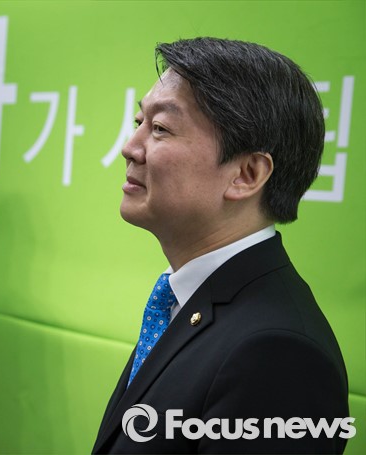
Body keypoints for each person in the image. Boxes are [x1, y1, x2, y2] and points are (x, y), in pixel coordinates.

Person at [92, 38, 350, 453]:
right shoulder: (187, 300)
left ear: (247, 175)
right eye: (140, 121)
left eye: (160, 129)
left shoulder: (278, 354)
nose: (130, 147)